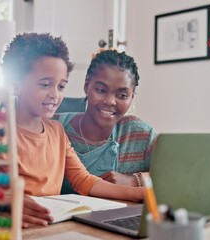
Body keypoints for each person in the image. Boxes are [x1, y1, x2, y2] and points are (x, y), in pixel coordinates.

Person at [0, 33, 143, 228]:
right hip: (11, 228)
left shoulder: (56, 131)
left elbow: (84, 180)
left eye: (61, 86)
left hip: (49, 226)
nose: (55, 95)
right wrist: (7, 204)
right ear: (15, 85)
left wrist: (141, 194)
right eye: (45, 84)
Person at [55, 50, 157, 194]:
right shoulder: (53, 128)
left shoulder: (141, 135)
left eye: (122, 95)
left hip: (122, 216)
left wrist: (134, 180)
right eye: (101, 90)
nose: (109, 101)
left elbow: (177, 175)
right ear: (86, 86)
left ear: (131, 97)